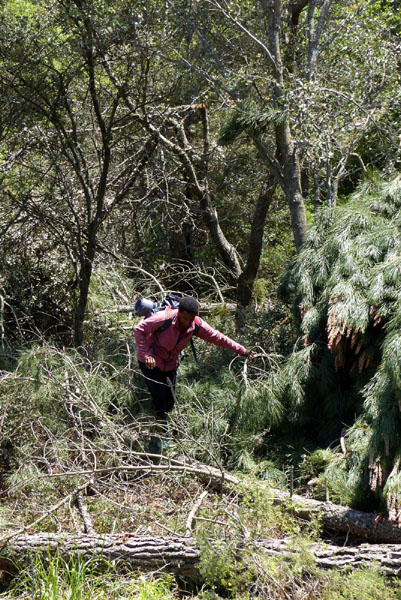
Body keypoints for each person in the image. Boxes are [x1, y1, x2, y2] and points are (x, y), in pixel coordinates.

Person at [134, 296, 254, 421]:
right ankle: (157, 426)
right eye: (184, 318)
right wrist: (147, 355)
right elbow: (139, 329)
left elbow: (218, 338)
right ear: (178, 312)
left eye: (190, 319)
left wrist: (243, 351)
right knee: (159, 400)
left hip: (170, 364)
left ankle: (166, 421)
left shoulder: (196, 324)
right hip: (150, 363)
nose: (187, 322)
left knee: (170, 401)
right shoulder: (163, 318)